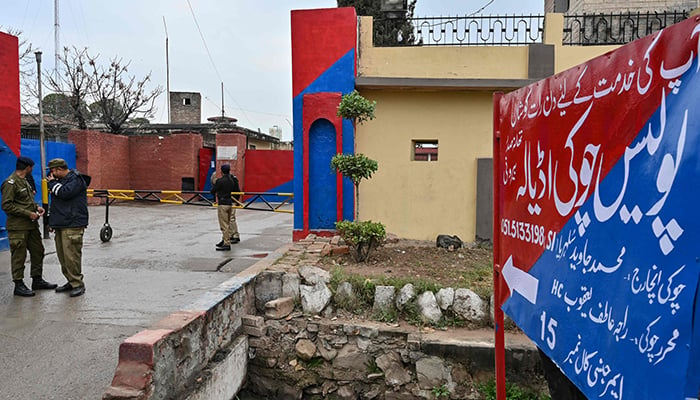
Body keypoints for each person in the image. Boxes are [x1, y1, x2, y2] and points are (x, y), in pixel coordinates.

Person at [1, 156, 57, 297]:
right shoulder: (10, 183)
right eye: (31, 167)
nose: (32, 170)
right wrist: (28, 213)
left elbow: (25, 200)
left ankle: (37, 280)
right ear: (27, 167)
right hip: (18, 227)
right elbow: (6, 205)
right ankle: (18, 285)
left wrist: (36, 208)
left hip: (31, 226)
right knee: (19, 256)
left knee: (38, 251)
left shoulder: (24, 181)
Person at [46, 158, 91, 297]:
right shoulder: (60, 181)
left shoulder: (75, 179)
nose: (50, 175)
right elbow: (57, 203)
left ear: (59, 169)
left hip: (72, 224)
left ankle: (77, 284)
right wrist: (52, 222)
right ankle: (70, 281)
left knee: (71, 256)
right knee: (63, 256)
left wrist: (52, 183)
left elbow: (64, 194)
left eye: (52, 171)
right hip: (61, 223)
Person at [210, 164, 241, 251]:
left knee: (224, 224)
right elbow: (236, 190)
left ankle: (226, 242)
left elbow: (213, 191)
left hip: (223, 204)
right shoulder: (232, 180)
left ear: (222, 171)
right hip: (230, 203)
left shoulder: (220, 181)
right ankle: (225, 239)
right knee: (229, 221)